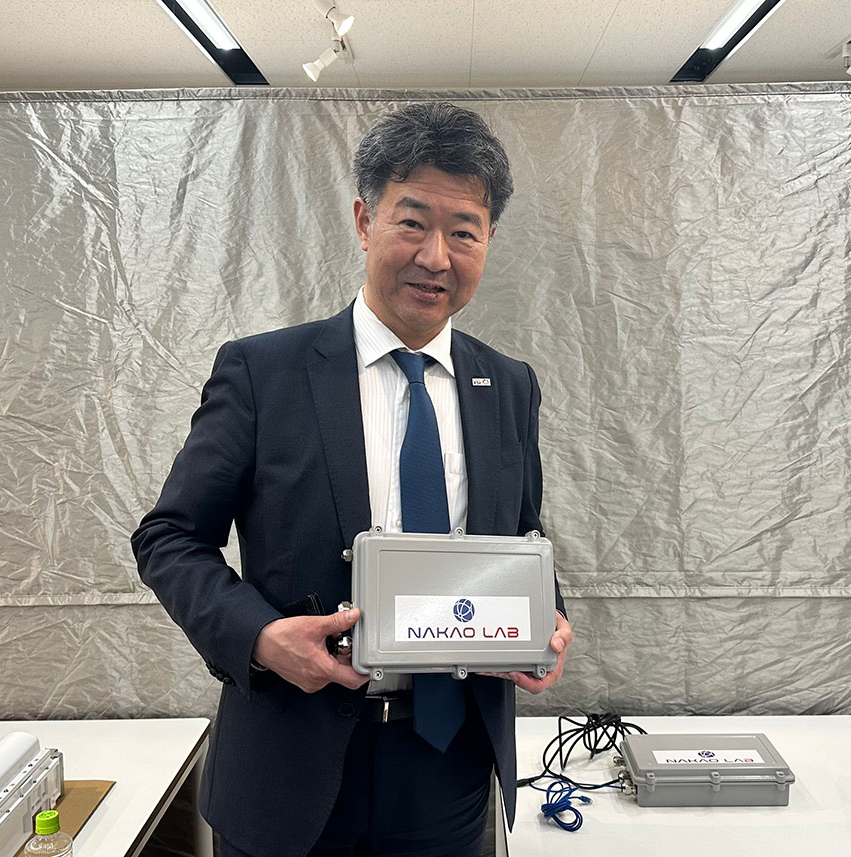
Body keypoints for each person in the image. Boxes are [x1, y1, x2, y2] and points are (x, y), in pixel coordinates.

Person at [132, 101, 573, 857]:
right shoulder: (264, 371)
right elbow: (169, 538)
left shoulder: (508, 384)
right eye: (413, 222)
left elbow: (521, 533)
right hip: (288, 767)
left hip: (450, 767)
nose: (436, 256)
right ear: (365, 221)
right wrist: (260, 637)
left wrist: (545, 619)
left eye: (464, 231)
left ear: (489, 240)